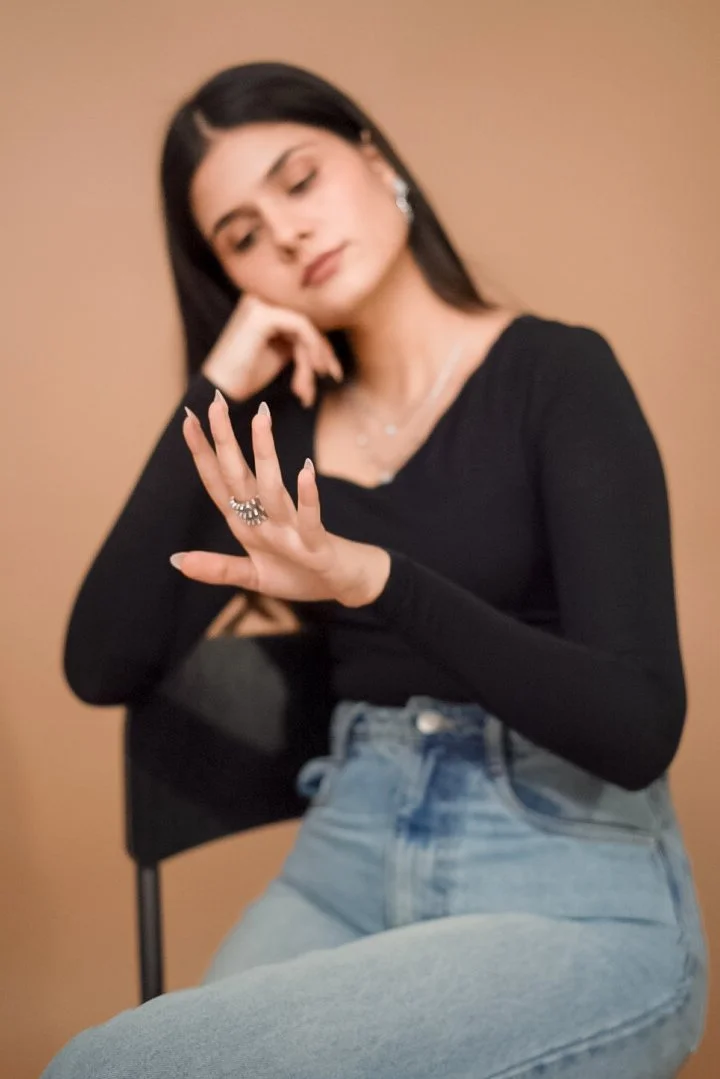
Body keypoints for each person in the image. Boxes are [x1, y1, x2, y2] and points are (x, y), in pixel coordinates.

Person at [44, 60, 708, 1079]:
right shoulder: (282, 447)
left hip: (565, 874)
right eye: (243, 237)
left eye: (297, 180)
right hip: (344, 854)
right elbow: (104, 660)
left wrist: (376, 580)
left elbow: (637, 723)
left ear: (373, 154)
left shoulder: (559, 374)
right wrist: (217, 382)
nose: (288, 235)